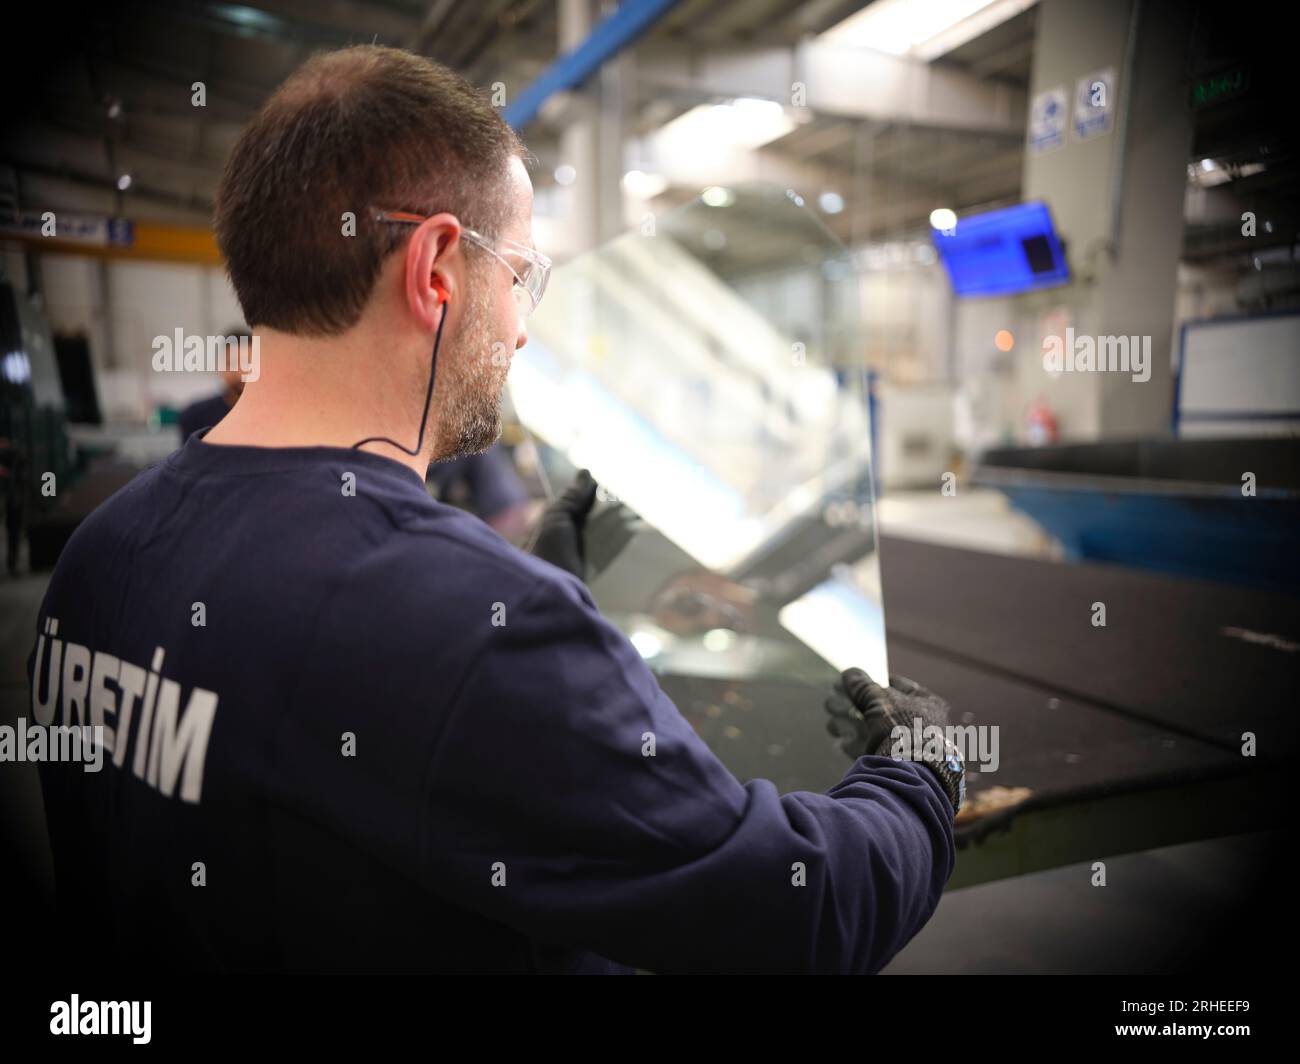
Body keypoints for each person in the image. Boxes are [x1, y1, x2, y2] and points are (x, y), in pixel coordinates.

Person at [28, 45, 960, 974]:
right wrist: (916, 777)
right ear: (436, 267)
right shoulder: (464, 630)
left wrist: (533, 588)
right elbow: (794, 913)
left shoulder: (100, 554)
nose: (521, 325)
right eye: (520, 275)